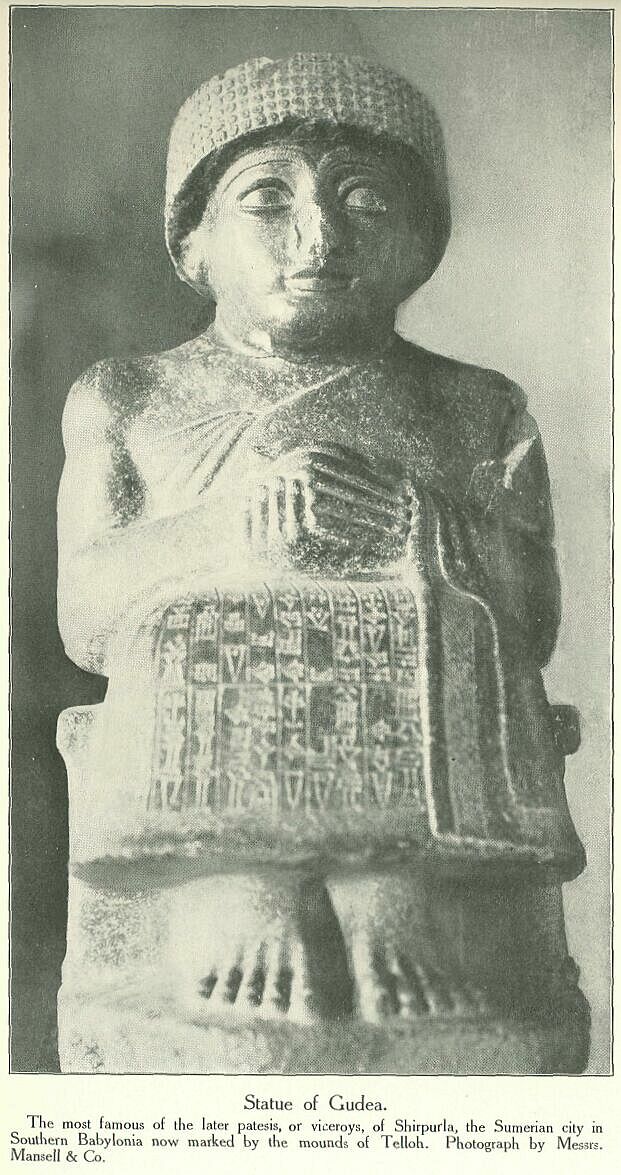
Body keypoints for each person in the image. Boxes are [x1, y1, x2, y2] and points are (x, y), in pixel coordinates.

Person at [56, 54, 586, 1071]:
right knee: (192, 621)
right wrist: (223, 533)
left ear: (419, 243)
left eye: (366, 202)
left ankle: (395, 890)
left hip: (422, 741)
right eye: (268, 198)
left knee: (455, 623)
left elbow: (531, 618)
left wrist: (417, 524)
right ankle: (238, 887)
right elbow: (86, 619)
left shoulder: (474, 406)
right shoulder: (130, 398)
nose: (321, 237)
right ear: (194, 240)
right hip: (204, 753)